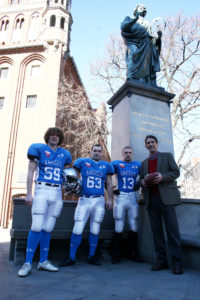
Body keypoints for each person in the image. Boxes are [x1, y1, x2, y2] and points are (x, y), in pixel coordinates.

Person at [18, 127, 72, 277]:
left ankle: (43, 261)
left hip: (56, 192)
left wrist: (71, 186)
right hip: (41, 189)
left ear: (60, 138)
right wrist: (29, 193)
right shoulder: (39, 149)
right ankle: (27, 263)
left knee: (48, 227)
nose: (54, 137)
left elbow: (66, 176)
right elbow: (30, 172)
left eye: (57, 135)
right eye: (52, 135)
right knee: (36, 226)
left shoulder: (64, 154)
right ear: (47, 136)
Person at [59, 144, 114, 266]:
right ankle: (71, 256)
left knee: (95, 228)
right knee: (77, 227)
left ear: (102, 153)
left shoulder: (106, 165)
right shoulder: (82, 162)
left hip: (99, 200)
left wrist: (110, 199)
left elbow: (109, 184)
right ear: (91, 151)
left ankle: (92, 256)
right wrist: (71, 187)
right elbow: (73, 177)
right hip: (84, 199)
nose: (97, 152)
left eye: (99, 151)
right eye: (95, 150)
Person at [140, 135, 183, 275]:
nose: (150, 144)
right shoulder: (144, 163)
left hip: (167, 199)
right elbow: (141, 179)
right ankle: (161, 261)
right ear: (146, 146)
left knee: (173, 232)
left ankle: (177, 263)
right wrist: (142, 182)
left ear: (157, 144)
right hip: (151, 201)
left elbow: (176, 172)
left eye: (152, 142)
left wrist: (162, 177)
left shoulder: (167, 156)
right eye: (148, 143)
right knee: (156, 232)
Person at [111, 146, 143, 264]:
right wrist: (111, 189)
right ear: (122, 154)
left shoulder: (138, 165)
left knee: (133, 224)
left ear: (132, 154)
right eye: (126, 153)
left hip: (132, 197)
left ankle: (133, 253)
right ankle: (117, 253)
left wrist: (139, 182)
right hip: (121, 196)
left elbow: (145, 175)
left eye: (130, 152)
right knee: (119, 223)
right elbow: (106, 175)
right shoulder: (117, 164)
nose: (128, 154)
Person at [121, 4, 162, 85]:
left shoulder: (148, 23)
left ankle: (147, 81)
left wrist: (158, 37)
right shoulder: (129, 19)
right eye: (141, 7)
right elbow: (123, 27)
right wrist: (134, 20)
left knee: (147, 63)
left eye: (144, 8)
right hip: (133, 42)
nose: (143, 9)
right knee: (133, 54)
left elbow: (153, 36)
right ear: (136, 10)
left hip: (146, 44)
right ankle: (131, 76)